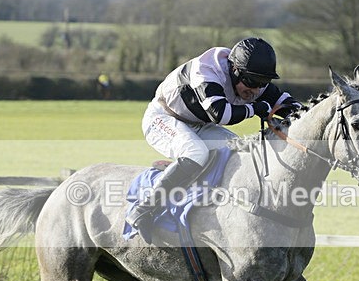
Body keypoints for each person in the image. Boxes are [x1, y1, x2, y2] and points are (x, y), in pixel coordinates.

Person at [126, 37, 303, 233]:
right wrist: (257, 108)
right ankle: (144, 209)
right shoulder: (208, 69)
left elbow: (285, 102)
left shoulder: (251, 78)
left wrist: (304, 115)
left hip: (199, 124)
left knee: (240, 151)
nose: (255, 90)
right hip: (163, 118)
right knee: (196, 153)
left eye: (263, 83)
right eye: (251, 82)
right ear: (235, 70)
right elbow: (221, 114)